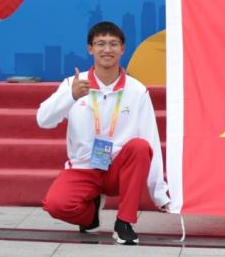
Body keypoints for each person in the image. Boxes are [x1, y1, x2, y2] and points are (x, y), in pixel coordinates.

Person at [37, 22, 168, 246]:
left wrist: (160, 195)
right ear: (90, 49)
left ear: (122, 49)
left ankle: (125, 222)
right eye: (101, 44)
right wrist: (71, 96)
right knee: (56, 205)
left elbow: (151, 140)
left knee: (139, 147)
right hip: (84, 167)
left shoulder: (137, 90)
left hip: (118, 169)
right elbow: (43, 120)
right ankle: (91, 215)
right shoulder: (73, 84)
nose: (107, 49)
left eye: (113, 44)